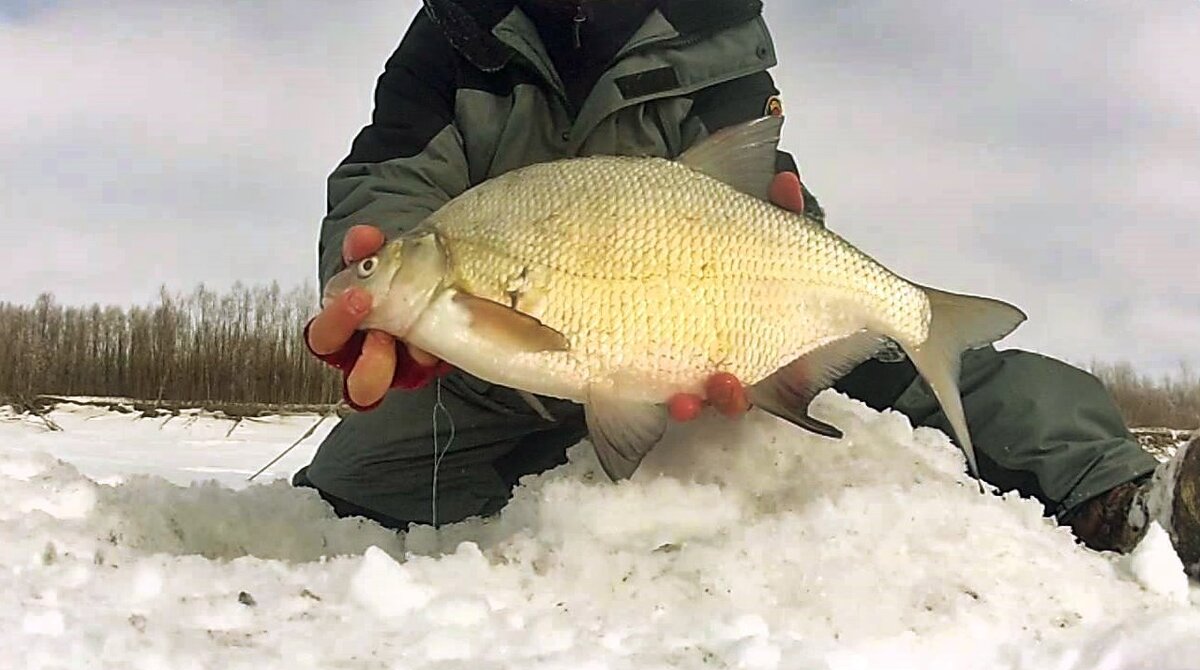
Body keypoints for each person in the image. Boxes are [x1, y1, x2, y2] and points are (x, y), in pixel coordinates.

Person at [296, 0, 1198, 576]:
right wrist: (365, 264)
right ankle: (563, 505)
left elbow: (757, 190)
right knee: (344, 488)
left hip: (714, 307)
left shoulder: (711, 25)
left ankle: (1126, 494)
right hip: (497, 364)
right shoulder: (453, 33)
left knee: (900, 375)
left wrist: (787, 260)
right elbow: (388, 182)